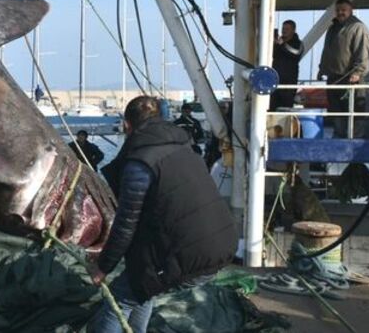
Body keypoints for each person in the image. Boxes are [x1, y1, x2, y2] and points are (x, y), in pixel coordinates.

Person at [90, 96, 237, 332]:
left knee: (119, 299)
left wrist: (103, 267)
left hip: (193, 256)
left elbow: (125, 225)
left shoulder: (139, 164)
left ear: (127, 125)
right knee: (141, 287)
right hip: (223, 244)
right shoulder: (184, 148)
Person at [318, 0, 369, 138]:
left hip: (351, 79)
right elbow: (326, 50)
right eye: (338, 10)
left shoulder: (358, 27)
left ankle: (355, 141)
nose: (340, 12)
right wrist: (322, 69)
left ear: (351, 10)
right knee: (336, 111)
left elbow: (362, 51)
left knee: (355, 112)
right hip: (333, 78)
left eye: (344, 10)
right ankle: (339, 139)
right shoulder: (332, 28)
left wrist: (358, 72)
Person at [271, 20, 304, 111]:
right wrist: (273, 44)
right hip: (276, 80)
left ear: (293, 30)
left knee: (286, 106)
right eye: (283, 28)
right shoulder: (279, 43)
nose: (284, 31)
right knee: (273, 106)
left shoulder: (298, 43)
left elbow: (296, 53)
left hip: (289, 81)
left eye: (287, 29)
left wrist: (282, 44)